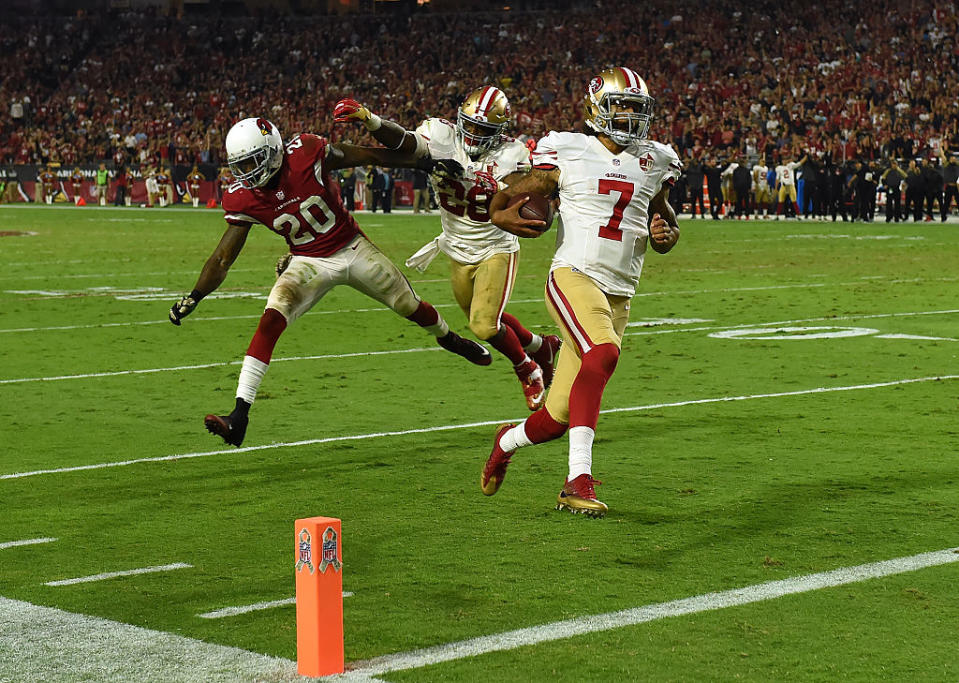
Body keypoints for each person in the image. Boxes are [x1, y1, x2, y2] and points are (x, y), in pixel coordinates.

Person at [169, 116, 490, 447]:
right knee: (270, 318)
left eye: (254, 160)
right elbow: (223, 257)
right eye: (242, 164)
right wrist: (195, 295)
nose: (249, 171)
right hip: (309, 261)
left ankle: (449, 338)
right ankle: (238, 416)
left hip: (351, 247)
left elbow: (369, 155)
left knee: (408, 304)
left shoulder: (306, 154)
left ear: (274, 149)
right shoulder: (243, 197)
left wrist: (424, 163)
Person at [480, 67, 682, 517]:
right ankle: (578, 481)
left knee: (556, 419)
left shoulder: (656, 159)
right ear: (597, 109)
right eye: (621, 107)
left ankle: (505, 442)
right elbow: (514, 192)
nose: (629, 117)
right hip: (573, 275)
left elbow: (664, 219)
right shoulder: (569, 148)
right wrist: (500, 215)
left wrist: (667, 233)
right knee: (603, 354)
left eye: (636, 109)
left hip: (619, 292)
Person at [334, 88, 561, 412]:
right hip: (456, 246)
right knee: (482, 317)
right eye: (471, 125)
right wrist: (371, 120)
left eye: (484, 129)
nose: (474, 134)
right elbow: (403, 143)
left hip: (495, 246)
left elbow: (525, 191)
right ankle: (543, 346)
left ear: (499, 131)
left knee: (483, 325)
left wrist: (487, 182)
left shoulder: (511, 154)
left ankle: (528, 369)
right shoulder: (441, 135)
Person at [774, 151, 806, 219]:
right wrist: (776, 188)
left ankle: (798, 215)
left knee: (794, 201)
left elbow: (799, 163)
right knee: (780, 201)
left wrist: (805, 157)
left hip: (791, 185)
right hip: (783, 186)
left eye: (786, 159)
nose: (784, 161)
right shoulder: (779, 168)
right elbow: (777, 179)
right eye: (783, 160)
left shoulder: (790, 165)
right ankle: (777, 216)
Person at [880, 159, 906, 223]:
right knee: (889, 203)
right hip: (890, 188)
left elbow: (905, 176)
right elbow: (883, 178)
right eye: (893, 164)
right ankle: (888, 217)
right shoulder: (888, 171)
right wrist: (885, 185)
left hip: (897, 188)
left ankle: (897, 217)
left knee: (897, 204)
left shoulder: (899, 171)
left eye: (895, 164)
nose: (894, 165)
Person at [940, 144, 959, 221]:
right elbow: (942, 156)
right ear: (950, 159)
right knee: (946, 203)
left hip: (956, 186)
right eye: (952, 158)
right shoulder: (946, 164)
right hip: (949, 186)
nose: (954, 159)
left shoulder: (957, 165)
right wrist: (941, 148)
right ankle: (943, 217)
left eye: (954, 158)